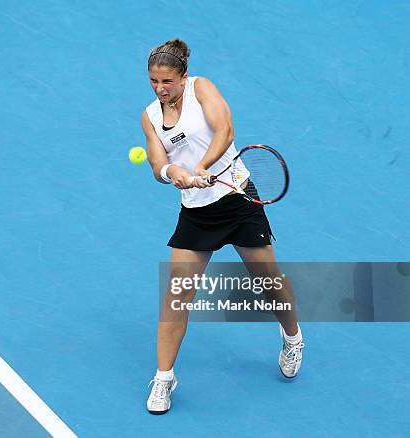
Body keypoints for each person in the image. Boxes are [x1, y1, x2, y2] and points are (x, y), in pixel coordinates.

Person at [142, 38, 305, 415]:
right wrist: (173, 171)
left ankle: (292, 336)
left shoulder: (203, 88)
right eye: (153, 81)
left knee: (269, 282)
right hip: (197, 213)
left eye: (166, 81)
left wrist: (201, 168)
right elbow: (156, 164)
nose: (160, 89)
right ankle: (164, 378)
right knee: (176, 296)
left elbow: (226, 132)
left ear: (183, 76)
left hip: (238, 199)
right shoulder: (150, 115)